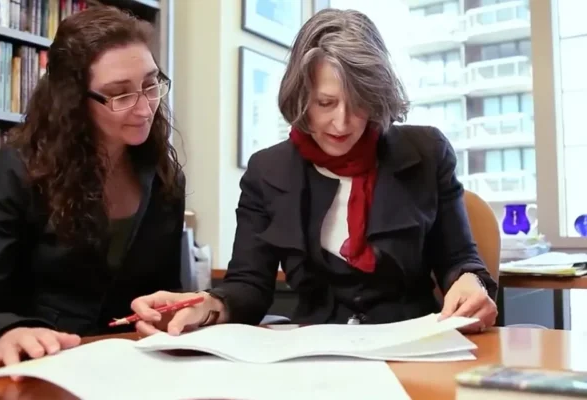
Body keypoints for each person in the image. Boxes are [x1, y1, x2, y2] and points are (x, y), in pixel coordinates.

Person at [130, 8, 498, 336]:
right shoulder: (267, 171)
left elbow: (459, 261)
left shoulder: (426, 153)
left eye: (359, 104)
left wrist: (470, 283)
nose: (342, 122)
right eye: (326, 103)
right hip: (313, 357)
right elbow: (249, 286)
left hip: (413, 348)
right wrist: (210, 306)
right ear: (300, 96)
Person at [0, 6, 185, 374]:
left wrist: (170, 314)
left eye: (151, 84)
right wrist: (5, 333)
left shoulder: (164, 177)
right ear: (74, 101)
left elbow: (162, 292)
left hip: (122, 369)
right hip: (32, 368)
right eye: (119, 94)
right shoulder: (19, 172)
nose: (146, 107)